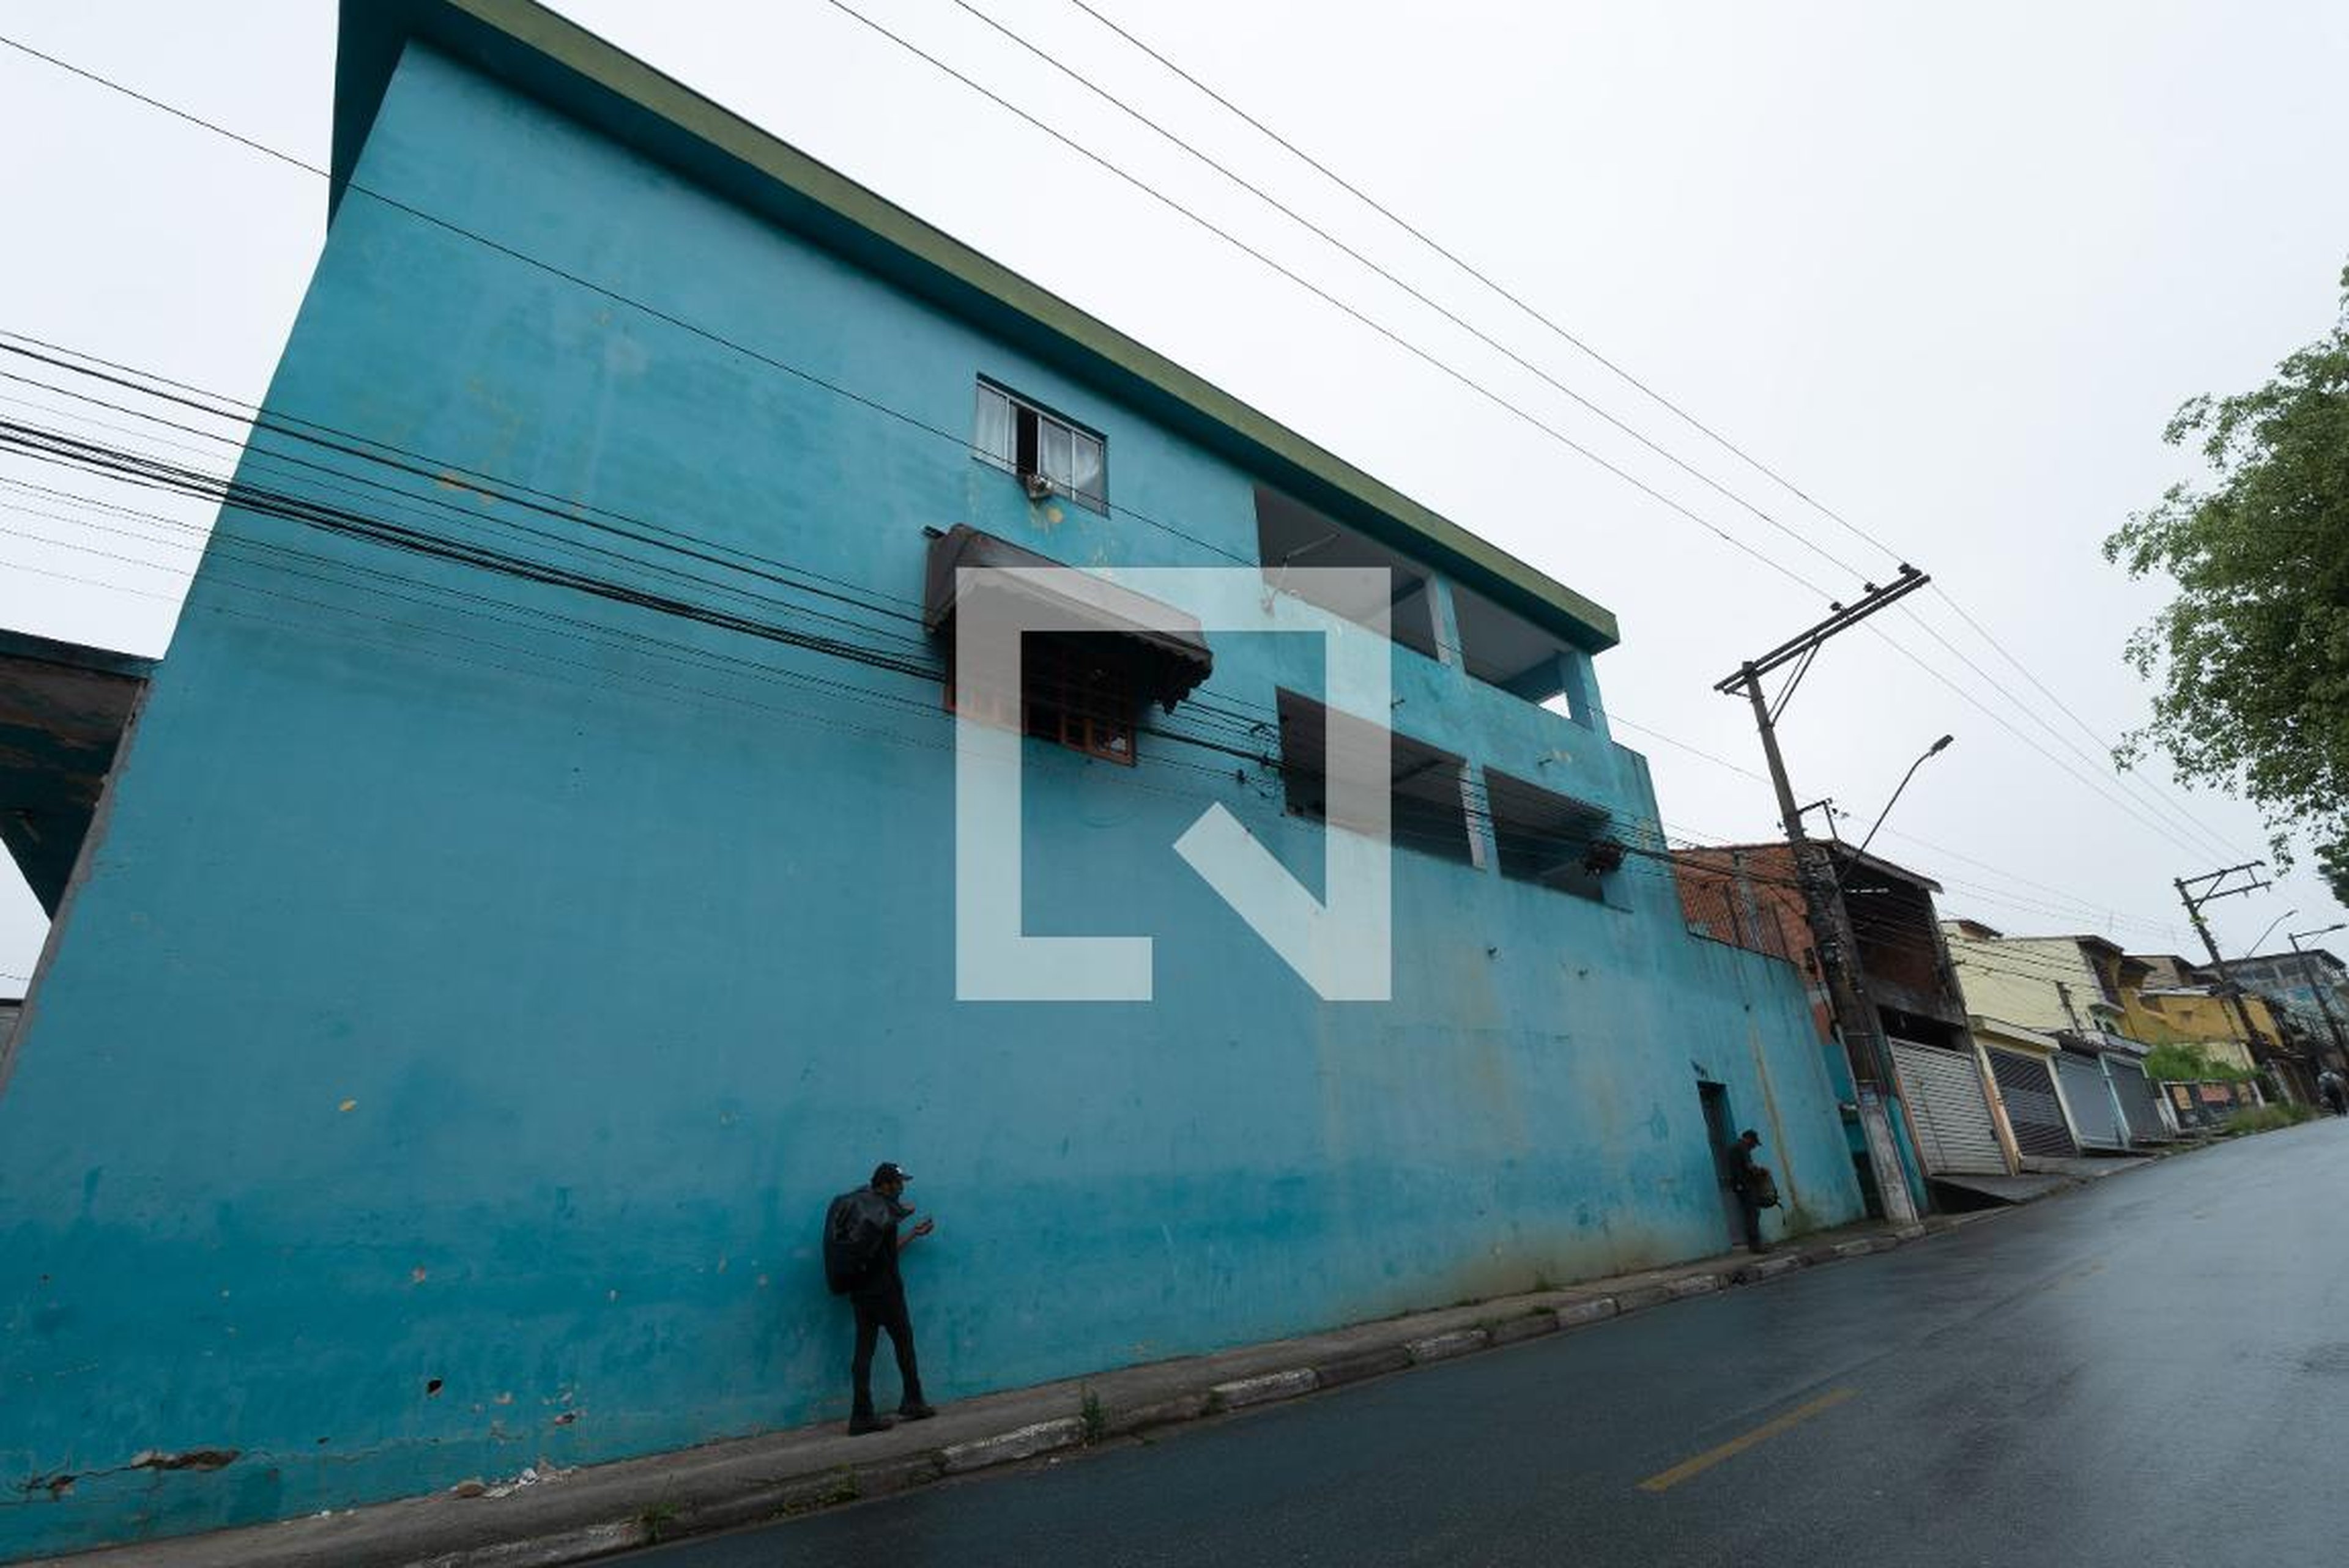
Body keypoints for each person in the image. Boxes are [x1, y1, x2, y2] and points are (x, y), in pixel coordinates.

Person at [824, 1161, 937, 1435]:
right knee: (904, 1345)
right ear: (886, 1184)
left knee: (864, 1353)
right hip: (886, 1292)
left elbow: (881, 1251)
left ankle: (861, 1415)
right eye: (899, 1184)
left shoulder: (860, 1206)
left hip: (861, 1292)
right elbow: (887, 1248)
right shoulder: (883, 1210)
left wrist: (912, 1233)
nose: (901, 1189)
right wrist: (903, 1217)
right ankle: (913, 1401)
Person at [1726, 1129, 1768, 1253]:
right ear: (1749, 1140)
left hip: (1740, 1186)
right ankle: (1756, 1246)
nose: (1754, 1147)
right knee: (1753, 1215)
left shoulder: (1735, 1148)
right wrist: (1762, 1171)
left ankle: (1754, 1245)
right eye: (1754, 1144)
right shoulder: (1742, 1148)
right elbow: (1749, 1167)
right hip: (1745, 1186)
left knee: (1750, 1214)